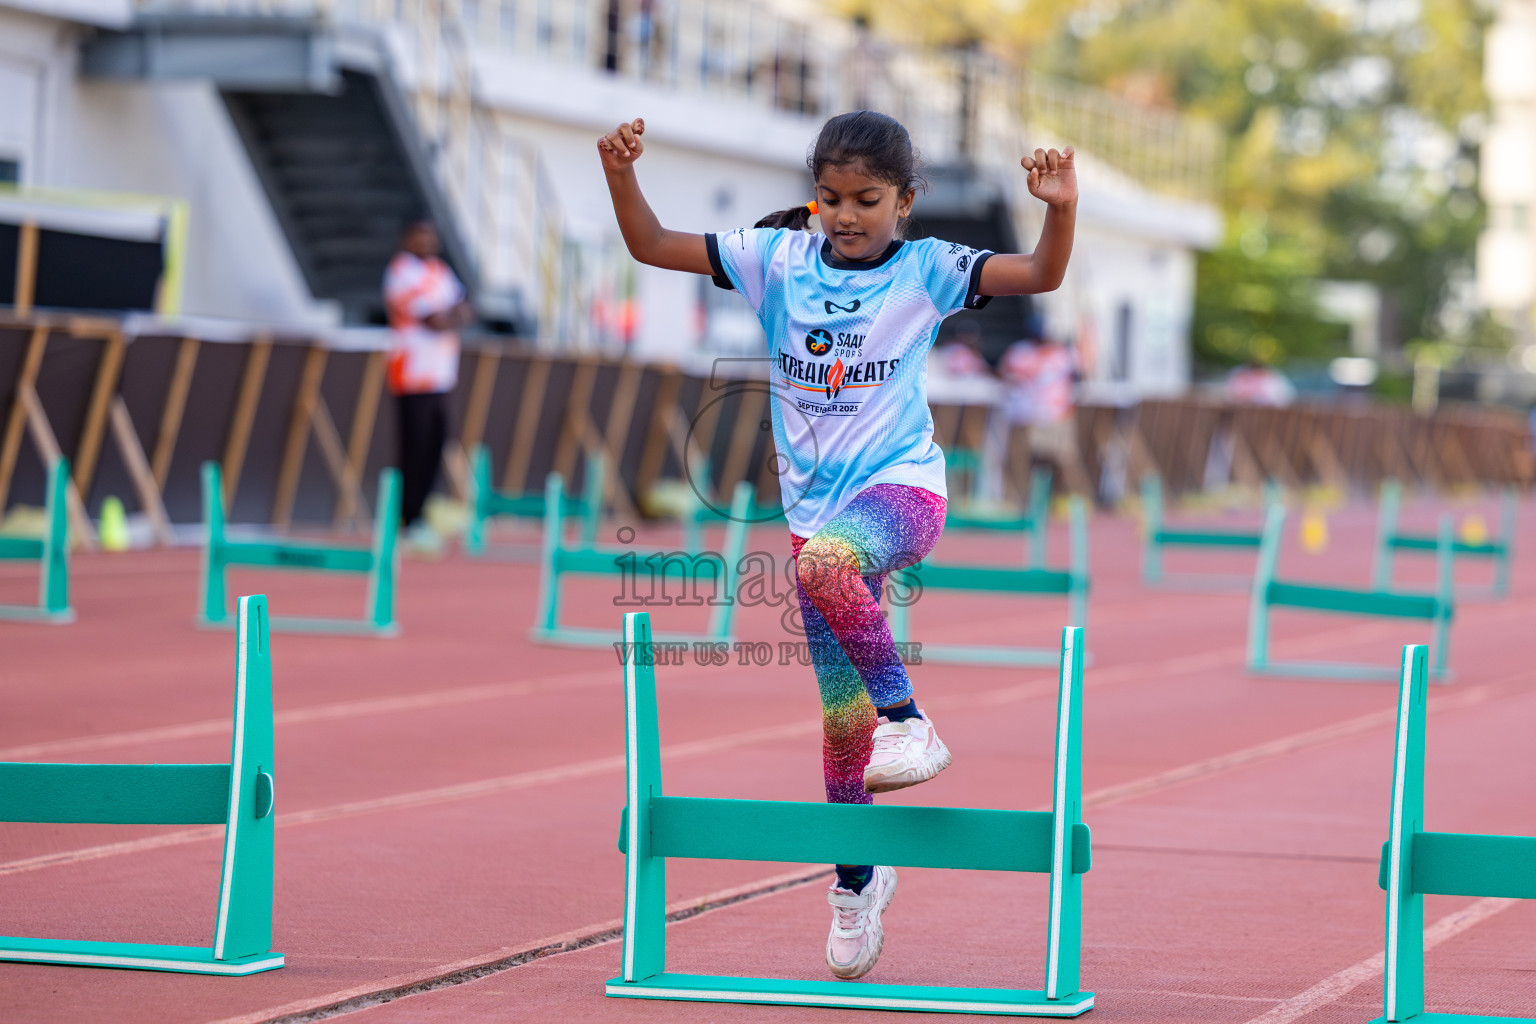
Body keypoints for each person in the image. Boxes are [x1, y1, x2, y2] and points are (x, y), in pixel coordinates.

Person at [598, 110, 1077, 981]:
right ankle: (857, 883)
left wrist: (1061, 207)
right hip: (815, 512)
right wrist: (620, 174)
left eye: (866, 200)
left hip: (903, 491)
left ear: (906, 201)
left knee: (828, 574)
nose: (847, 215)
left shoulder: (932, 269)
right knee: (840, 726)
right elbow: (650, 245)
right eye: (830, 199)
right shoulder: (773, 258)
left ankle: (912, 719)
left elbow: (1041, 273)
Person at [383, 218, 473, 551]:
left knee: (436, 446)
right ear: (406, 237)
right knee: (414, 449)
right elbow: (435, 320)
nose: (426, 241)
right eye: (419, 235)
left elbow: (465, 309)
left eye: (430, 236)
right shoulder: (401, 272)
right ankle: (406, 518)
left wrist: (449, 315)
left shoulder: (439, 271)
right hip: (411, 374)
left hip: (440, 374)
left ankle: (421, 512)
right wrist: (450, 316)